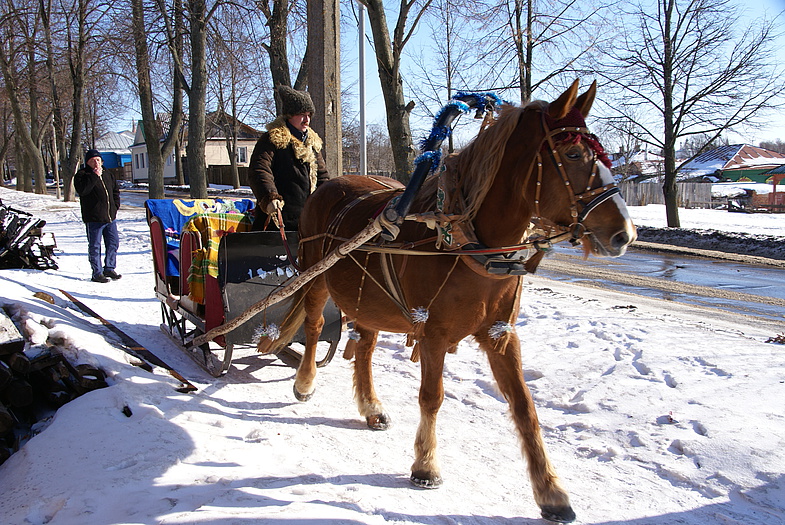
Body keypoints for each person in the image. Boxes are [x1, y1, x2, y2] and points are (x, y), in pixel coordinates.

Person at [248, 85, 332, 231]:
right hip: (277, 219)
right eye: (302, 114)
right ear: (289, 115)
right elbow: (259, 169)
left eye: (309, 115)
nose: (307, 120)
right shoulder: (272, 139)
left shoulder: (312, 143)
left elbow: (322, 177)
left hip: (308, 220)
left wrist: (331, 199)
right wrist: (270, 197)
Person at [74, 149, 122, 283]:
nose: (96, 163)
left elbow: (115, 191)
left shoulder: (108, 174)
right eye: (93, 160)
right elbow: (83, 191)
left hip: (110, 217)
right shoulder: (82, 175)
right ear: (87, 162)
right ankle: (97, 273)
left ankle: (109, 268)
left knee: (113, 243)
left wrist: (115, 207)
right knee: (95, 246)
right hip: (94, 218)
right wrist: (94, 176)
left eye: (98, 160)